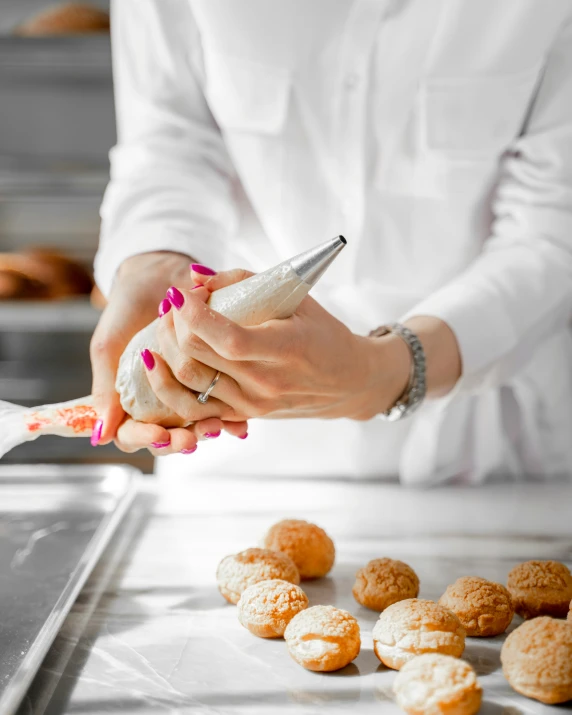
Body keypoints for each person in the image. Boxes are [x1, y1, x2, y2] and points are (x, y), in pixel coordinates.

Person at [91, 0, 572, 485]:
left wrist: (389, 369)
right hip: (237, 440)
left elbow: (551, 229)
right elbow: (168, 144)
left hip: (492, 448)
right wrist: (154, 262)